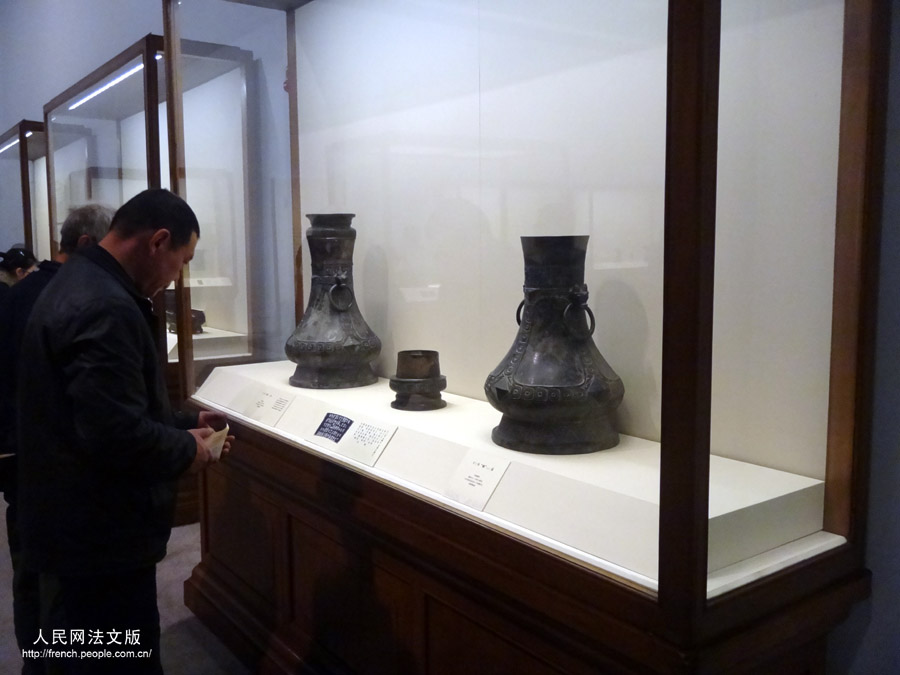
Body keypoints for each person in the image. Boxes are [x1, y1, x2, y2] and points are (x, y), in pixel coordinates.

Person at [16, 189, 232, 675]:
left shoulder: (81, 279)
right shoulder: (105, 305)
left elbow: (103, 407)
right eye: (183, 260)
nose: (178, 275)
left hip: (71, 527)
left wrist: (183, 423)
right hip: (96, 540)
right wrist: (186, 450)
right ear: (158, 241)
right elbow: (113, 433)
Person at [0, 204, 114, 675]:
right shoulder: (75, 297)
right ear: (89, 245)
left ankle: (37, 656)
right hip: (55, 467)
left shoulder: (20, 292)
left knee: (29, 566)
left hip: (16, 454)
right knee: (61, 585)